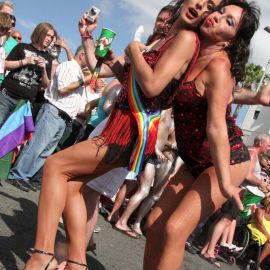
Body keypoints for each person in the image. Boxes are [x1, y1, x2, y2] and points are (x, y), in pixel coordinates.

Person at [24, 0, 219, 268]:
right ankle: (76, 263)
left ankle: (41, 255)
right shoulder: (166, 37)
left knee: (55, 166)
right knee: (72, 186)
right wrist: (89, 38)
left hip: (128, 132)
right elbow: (126, 78)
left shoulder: (185, 38)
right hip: (120, 125)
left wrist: (133, 50)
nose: (201, 5)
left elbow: (152, 87)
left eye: (210, 6)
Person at [140, 1, 260, 269]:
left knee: (175, 229)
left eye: (229, 22)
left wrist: (228, 184)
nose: (217, 18)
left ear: (232, 41)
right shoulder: (192, 51)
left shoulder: (219, 66)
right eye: (220, 11)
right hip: (194, 159)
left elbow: (216, 127)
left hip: (226, 161)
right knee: (154, 224)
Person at [7, 45, 88, 192]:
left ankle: (25, 177)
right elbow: (61, 89)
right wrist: (82, 82)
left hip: (64, 118)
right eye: (88, 55)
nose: (91, 60)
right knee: (36, 146)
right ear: (82, 55)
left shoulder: (79, 72)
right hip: (54, 111)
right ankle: (17, 175)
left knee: (44, 152)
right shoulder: (69, 66)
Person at [0, 22, 55, 128]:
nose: (49, 39)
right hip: (7, 96)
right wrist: (25, 61)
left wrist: (43, 70)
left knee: (8, 138)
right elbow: (6, 65)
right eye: (47, 35)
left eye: (51, 37)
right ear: (39, 33)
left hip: (24, 105)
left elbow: (46, 85)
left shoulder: (48, 59)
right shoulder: (22, 46)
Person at [241, 134, 270, 221]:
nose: (269, 148)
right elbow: (247, 175)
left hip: (250, 195)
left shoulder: (254, 154)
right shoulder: (252, 153)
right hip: (247, 194)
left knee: (235, 219)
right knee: (231, 219)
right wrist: (261, 183)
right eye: (268, 145)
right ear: (260, 143)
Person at [247, 196, 270, 270]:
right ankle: (257, 264)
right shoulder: (259, 210)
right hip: (256, 229)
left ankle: (257, 263)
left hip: (267, 233)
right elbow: (259, 225)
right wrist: (268, 235)